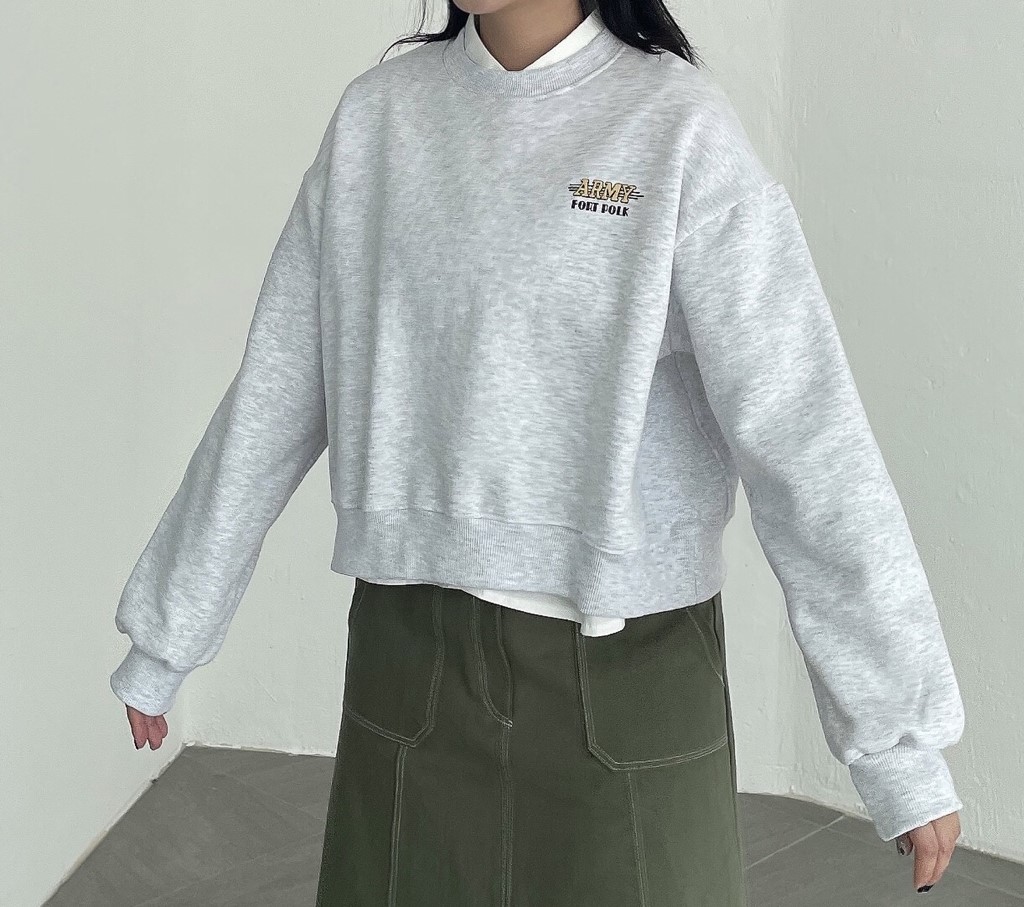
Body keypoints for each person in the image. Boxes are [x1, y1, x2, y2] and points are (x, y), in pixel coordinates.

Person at [109, 0, 965, 902]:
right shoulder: (379, 119)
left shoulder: (675, 125)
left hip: (627, 672)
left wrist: (896, 738)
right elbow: (277, 388)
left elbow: (802, 429)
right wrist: (170, 630)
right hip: (409, 660)